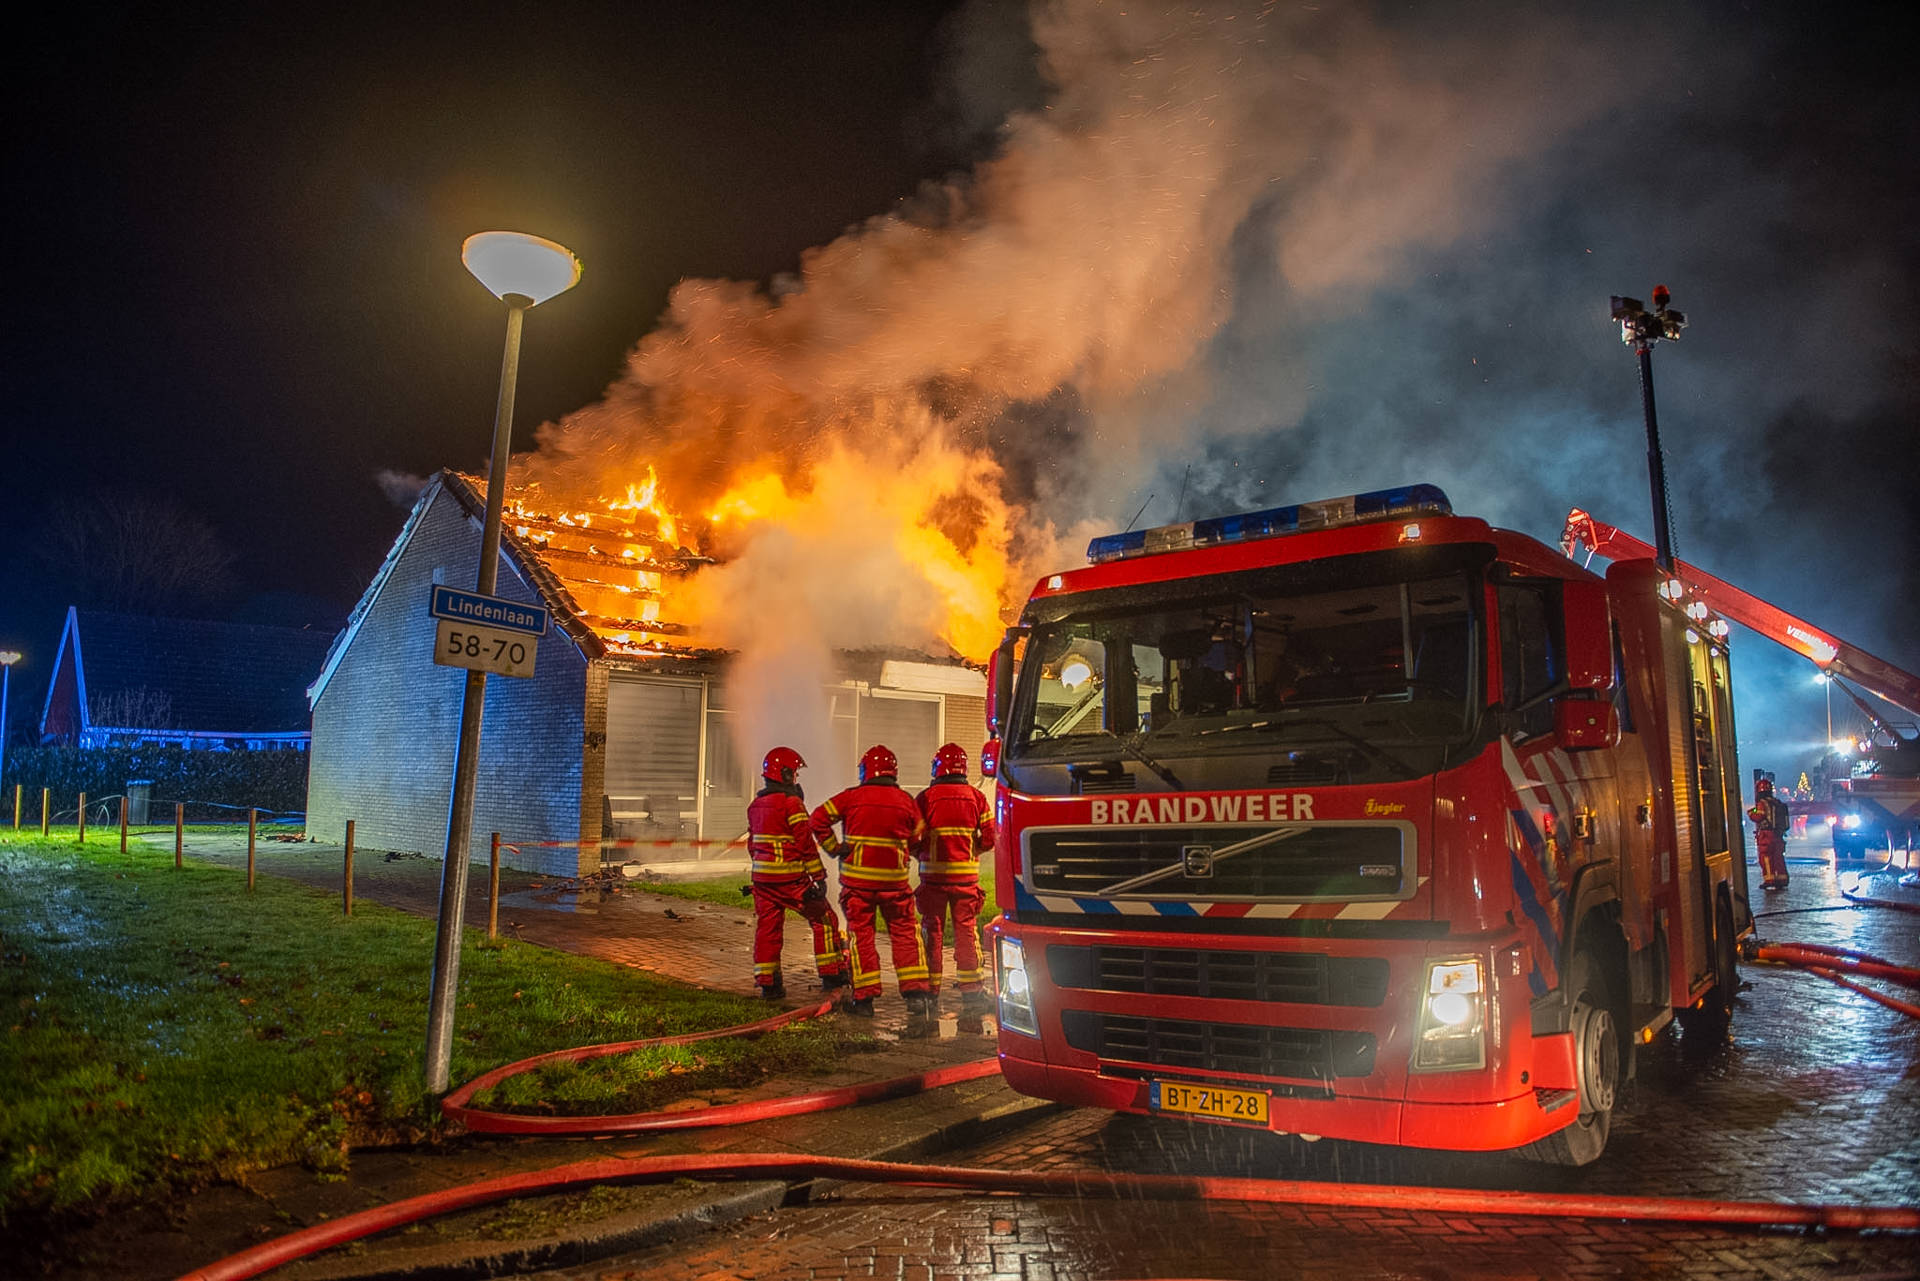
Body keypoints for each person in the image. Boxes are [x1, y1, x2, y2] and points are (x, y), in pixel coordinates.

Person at [811, 744, 932, 1020]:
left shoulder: (851, 797)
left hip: (858, 886)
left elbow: (817, 819)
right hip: (895, 886)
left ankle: (864, 1000)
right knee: (905, 936)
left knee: (861, 938)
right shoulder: (906, 801)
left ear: (865, 771)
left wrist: (834, 848)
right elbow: (918, 835)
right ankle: (916, 996)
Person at [746, 747, 847, 998]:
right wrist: (819, 877)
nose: (796, 778)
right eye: (795, 773)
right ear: (785, 774)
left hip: (762, 882)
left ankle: (769, 984)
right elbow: (805, 844)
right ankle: (832, 974)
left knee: (768, 929)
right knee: (825, 920)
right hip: (791, 880)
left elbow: (752, 844)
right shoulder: (791, 804)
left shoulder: (755, 805)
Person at [914, 743, 996, 1025]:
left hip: (933, 880)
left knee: (932, 934)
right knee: (966, 933)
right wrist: (972, 851)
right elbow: (990, 837)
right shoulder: (976, 797)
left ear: (937, 768)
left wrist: (922, 854)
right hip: (965, 881)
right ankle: (972, 992)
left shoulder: (925, 798)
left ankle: (930, 992)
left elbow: (912, 837)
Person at [1748, 776, 1791, 890]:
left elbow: (1758, 816)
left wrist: (1751, 813)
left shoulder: (1762, 803)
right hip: (1778, 834)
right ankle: (1782, 879)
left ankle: (1769, 880)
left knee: (1766, 857)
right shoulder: (1777, 802)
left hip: (1766, 835)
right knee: (1778, 858)